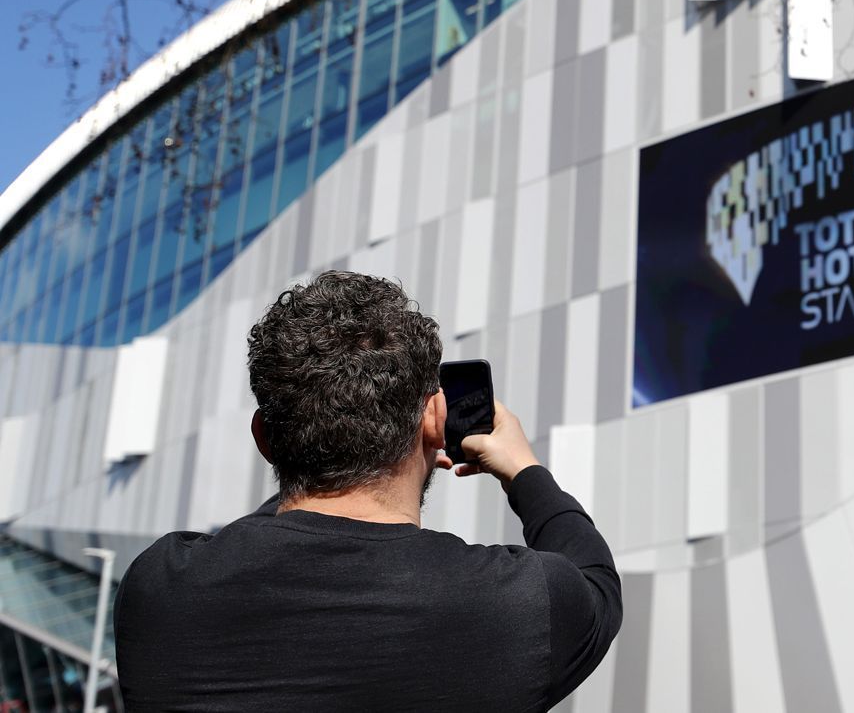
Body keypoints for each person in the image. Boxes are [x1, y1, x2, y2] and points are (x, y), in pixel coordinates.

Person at [114, 271, 621, 711]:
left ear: (265, 439)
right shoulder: (517, 606)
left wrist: (309, 451)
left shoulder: (159, 586)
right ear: (434, 420)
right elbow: (596, 581)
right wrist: (523, 469)